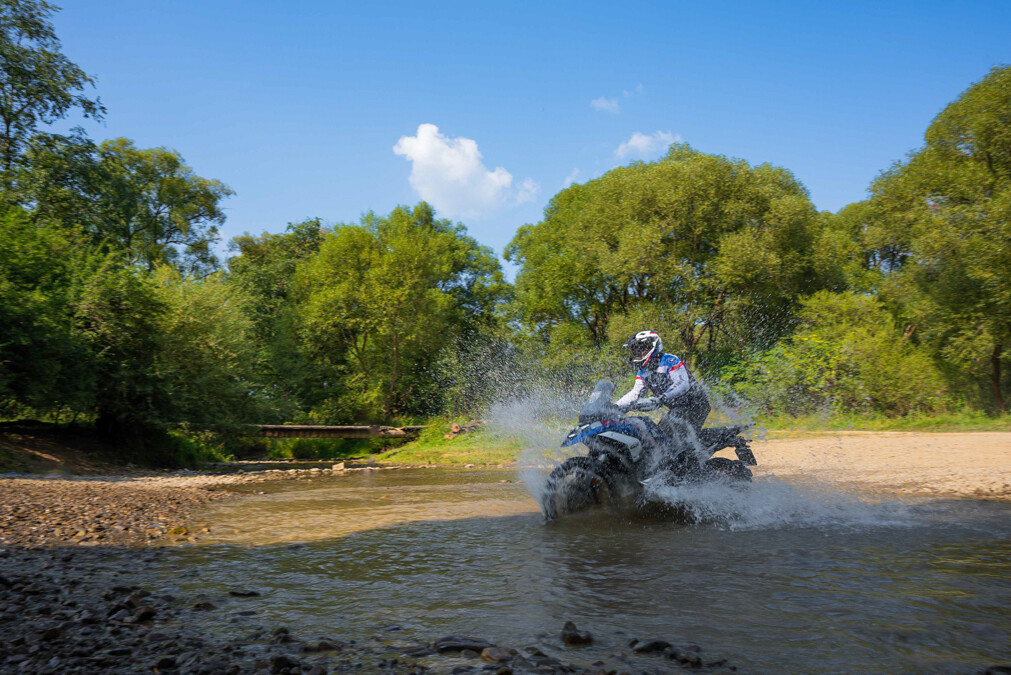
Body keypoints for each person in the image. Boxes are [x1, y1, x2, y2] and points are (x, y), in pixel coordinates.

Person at [615, 330, 711, 433]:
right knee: (659, 435)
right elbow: (635, 393)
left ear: (651, 346)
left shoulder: (670, 360)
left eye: (639, 350)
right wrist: (615, 407)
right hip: (678, 408)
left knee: (680, 438)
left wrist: (661, 398)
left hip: (696, 405)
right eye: (634, 351)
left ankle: (722, 436)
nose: (636, 354)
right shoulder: (643, 371)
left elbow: (683, 384)